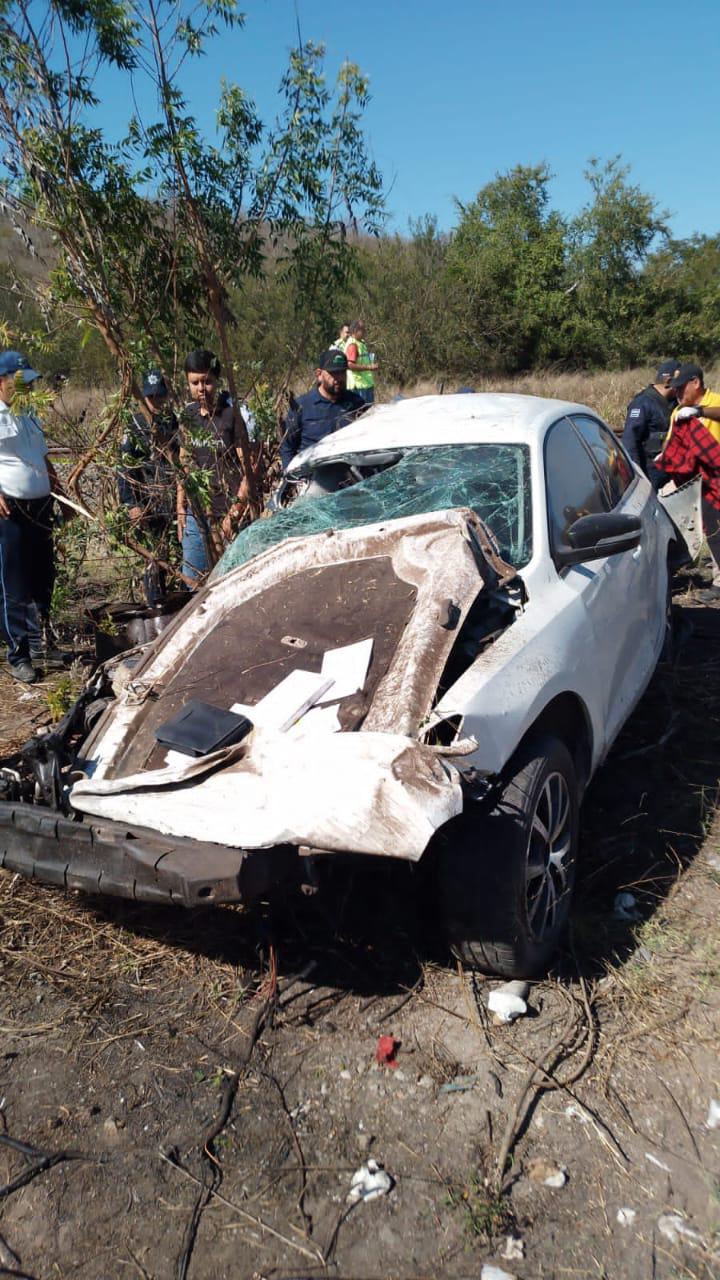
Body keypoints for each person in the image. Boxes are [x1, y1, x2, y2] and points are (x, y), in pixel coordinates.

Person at [0, 350, 70, 682]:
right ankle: (19, 655)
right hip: (10, 511)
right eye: (19, 383)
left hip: (41, 507)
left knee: (43, 578)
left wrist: (62, 495)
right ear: (1, 383)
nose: (26, 390)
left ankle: (46, 643)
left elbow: (43, 458)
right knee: (14, 584)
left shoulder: (29, 414)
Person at [176, 350, 255, 585]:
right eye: (195, 382)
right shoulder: (188, 416)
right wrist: (180, 505)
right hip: (197, 516)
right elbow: (185, 462)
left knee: (232, 583)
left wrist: (233, 515)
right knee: (193, 583)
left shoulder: (232, 416)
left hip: (228, 513)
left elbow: (249, 471)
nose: (202, 388)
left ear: (216, 382)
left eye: (207, 382)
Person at [118, 370, 179, 605]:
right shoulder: (134, 424)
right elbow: (124, 468)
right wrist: (132, 504)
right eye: (150, 397)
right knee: (155, 557)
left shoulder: (174, 421)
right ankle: (155, 603)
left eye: (159, 396)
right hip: (149, 503)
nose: (155, 402)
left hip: (173, 501)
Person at [658, 400, 720, 602]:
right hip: (701, 480)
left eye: (682, 388)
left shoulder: (715, 400)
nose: (678, 394)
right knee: (712, 531)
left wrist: (701, 411)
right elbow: (670, 440)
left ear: (695, 382)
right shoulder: (678, 411)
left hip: (715, 474)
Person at [280, 349, 365, 470]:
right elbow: (287, 448)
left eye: (342, 373)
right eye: (333, 373)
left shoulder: (357, 403)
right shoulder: (301, 407)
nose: (338, 378)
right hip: (312, 479)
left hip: (349, 478)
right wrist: (292, 479)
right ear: (319, 374)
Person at [622, 360, 677, 484]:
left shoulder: (675, 403)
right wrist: (637, 477)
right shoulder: (643, 403)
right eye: (680, 382)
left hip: (671, 469)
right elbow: (630, 441)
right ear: (669, 382)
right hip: (650, 472)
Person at [345, 321, 378, 405]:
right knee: (363, 414)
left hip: (365, 384)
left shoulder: (361, 343)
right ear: (355, 330)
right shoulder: (353, 345)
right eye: (362, 329)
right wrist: (369, 367)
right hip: (359, 386)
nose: (365, 332)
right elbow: (350, 365)